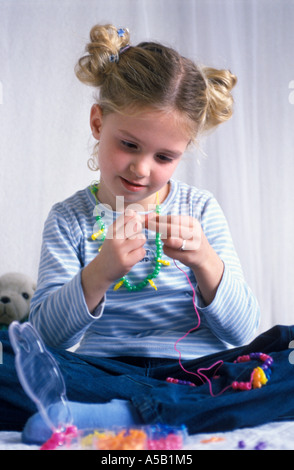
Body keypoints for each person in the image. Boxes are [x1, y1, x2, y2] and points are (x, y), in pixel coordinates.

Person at [6, 24, 290, 445]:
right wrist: (98, 275)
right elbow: (46, 337)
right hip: (101, 374)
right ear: (98, 122)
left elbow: (243, 330)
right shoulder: (68, 219)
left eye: (164, 156)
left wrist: (206, 263)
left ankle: (122, 415)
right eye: (129, 144)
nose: (141, 169)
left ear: (184, 151)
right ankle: (153, 408)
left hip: (200, 375)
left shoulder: (200, 209)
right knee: (8, 353)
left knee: (285, 348)